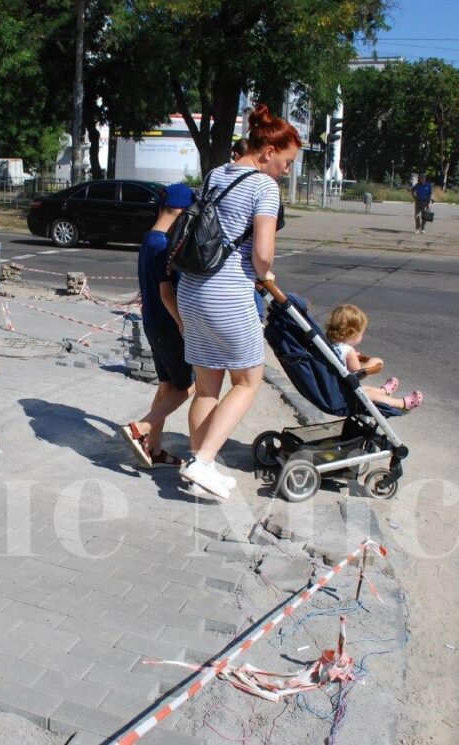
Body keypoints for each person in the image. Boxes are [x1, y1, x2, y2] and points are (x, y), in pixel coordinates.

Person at [175, 104, 299, 500]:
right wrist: (266, 275)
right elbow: (262, 254)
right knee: (248, 380)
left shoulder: (215, 173)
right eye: (286, 161)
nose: (286, 170)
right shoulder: (264, 187)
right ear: (267, 153)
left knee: (207, 385)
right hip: (227, 295)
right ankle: (204, 462)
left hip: (191, 289)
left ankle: (200, 465)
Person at [121, 183, 197, 469]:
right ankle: (140, 428)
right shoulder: (163, 245)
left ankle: (152, 449)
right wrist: (183, 325)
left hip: (153, 322)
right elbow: (167, 294)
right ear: (179, 211)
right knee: (186, 386)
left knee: (167, 384)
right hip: (167, 325)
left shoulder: (149, 239)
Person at [325, 303, 423, 411]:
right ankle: (402, 403)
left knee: (365, 389)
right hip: (341, 395)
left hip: (331, 387)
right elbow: (357, 374)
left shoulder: (326, 343)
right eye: (362, 333)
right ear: (352, 333)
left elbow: (339, 361)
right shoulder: (349, 352)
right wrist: (373, 362)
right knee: (369, 394)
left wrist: (349, 360)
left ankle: (384, 391)